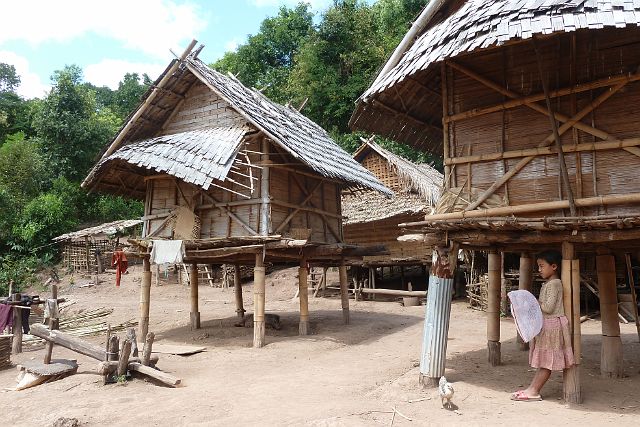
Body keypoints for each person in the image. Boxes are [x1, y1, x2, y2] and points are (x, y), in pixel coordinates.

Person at [511, 250, 575, 401]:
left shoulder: (554, 284)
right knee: (544, 361)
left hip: (552, 326)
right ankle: (532, 388)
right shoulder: (551, 283)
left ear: (554, 266)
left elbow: (549, 307)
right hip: (548, 325)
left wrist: (534, 303)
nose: (539, 269)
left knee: (546, 362)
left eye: (541, 266)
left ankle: (533, 391)